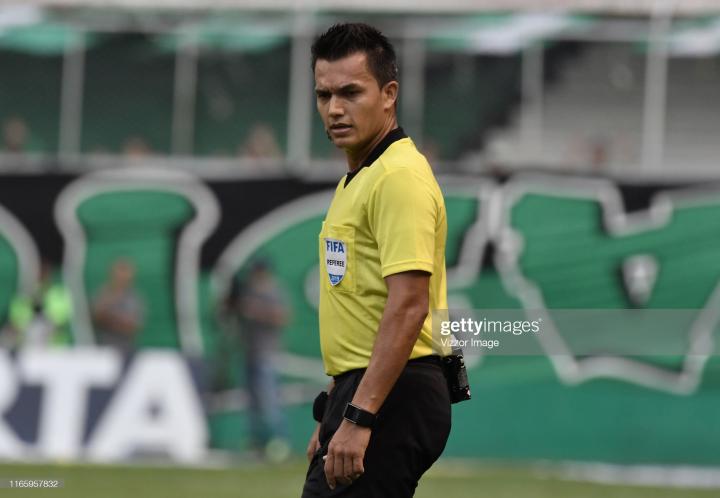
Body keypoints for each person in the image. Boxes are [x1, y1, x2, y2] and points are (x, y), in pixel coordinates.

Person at [302, 23, 451, 498]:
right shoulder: (360, 178)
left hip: (395, 392)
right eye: (324, 95)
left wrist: (360, 415)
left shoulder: (398, 177)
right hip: (368, 390)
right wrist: (334, 410)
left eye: (350, 92)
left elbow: (409, 305)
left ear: (389, 95)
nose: (334, 108)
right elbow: (361, 306)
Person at [224, 259, 291, 460]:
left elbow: (282, 317)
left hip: (266, 353)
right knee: (253, 401)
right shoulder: (249, 292)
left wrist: (254, 310)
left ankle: (278, 441)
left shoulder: (273, 291)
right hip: (249, 351)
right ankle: (257, 442)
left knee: (269, 400)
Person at [91, 258, 144, 353]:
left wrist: (109, 318)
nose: (122, 277)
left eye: (125, 273)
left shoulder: (134, 298)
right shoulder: (103, 294)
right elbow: (95, 317)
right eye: (119, 272)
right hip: (102, 346)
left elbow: (132, 326)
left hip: (125, 348)